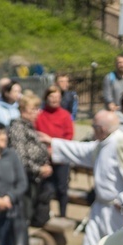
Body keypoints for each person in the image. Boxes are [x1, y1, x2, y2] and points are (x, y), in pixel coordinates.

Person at [39, 110, 123, 245]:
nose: (92, 130)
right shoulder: (103, 143)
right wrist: (53, 142)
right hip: (99, 207)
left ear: (102, 129)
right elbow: (82, 150)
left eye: (94, 127)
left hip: (117, 211)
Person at [8, 93, 53, 228]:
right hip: (28, 176)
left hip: (36, 178)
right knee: (27, 212)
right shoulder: (18, 127)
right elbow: (20, 156)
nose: (36, 112)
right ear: (22, 110)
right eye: (32, 109)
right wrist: (39, 169)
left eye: (37, 109)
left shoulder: (28, 125)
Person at [36, 85, 74, 218]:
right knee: (45, 187)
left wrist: (56, 147)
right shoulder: (40, 116)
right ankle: (45, 214)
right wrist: (46, 149)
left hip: (61, 156)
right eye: (52, 97)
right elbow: (37, 134)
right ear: (46, 98)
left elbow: (69, 135)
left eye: (57, 97)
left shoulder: (65, 115)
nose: (54, 100)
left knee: (62, 187)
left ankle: (63, 214)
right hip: (45, 156)